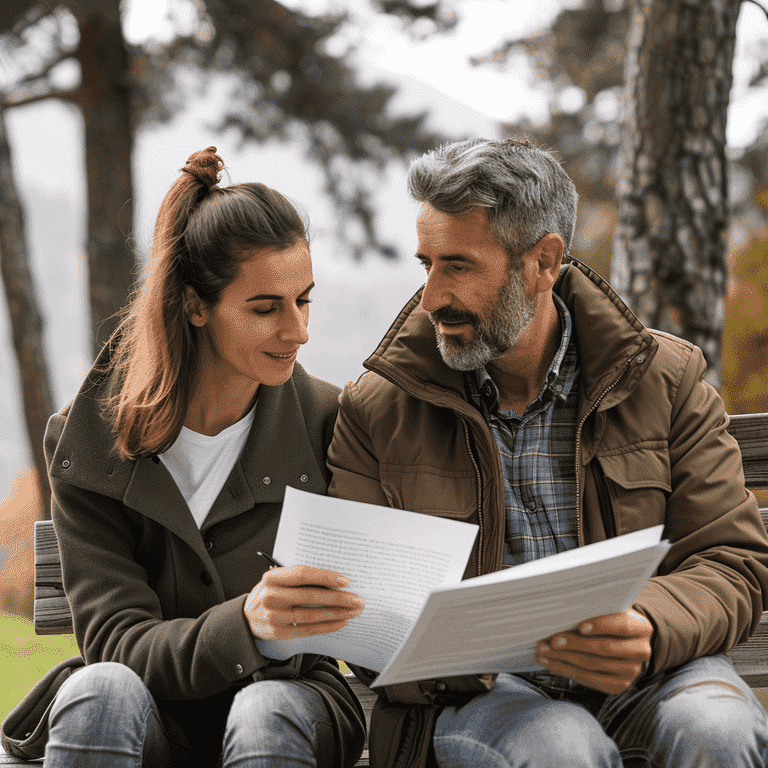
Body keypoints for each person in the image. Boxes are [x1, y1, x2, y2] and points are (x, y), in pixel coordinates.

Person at [326, 137, 768, 768]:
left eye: (458, 266)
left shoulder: (665, 380)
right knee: (563, 746)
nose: (430, 298)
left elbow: (731, 558)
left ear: (544, 262)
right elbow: (364, 610)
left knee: (720, 729)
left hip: (652, 674)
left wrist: (647, 623)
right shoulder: (378, 406)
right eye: (426, 264)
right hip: (478, 700)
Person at [5, 147, 366, 768]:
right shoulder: (89, 443)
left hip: (289, 705)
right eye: (265, 307)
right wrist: (247, 625)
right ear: (195, 305)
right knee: (97, 690)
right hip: (146, 716)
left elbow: (380, 614)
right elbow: (116, 644)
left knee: (265, 712)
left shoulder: (330, 423)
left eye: (303, 300)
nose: (297, 331)